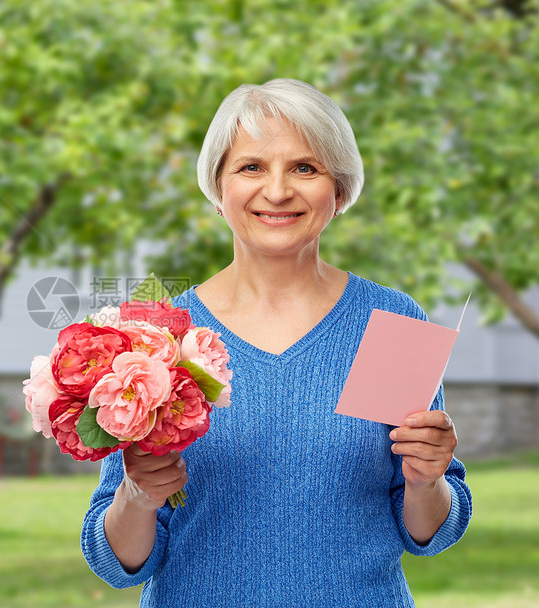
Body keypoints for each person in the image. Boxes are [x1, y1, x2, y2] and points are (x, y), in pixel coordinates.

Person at [80, 78, 472, 607]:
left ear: (340, 191)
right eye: (251, 167)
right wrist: (137, 496)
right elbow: (118, 565)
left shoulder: (392, 320)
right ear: (218, 189)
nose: (278, 190)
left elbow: (429, 534)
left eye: (305, 168)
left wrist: (426, 483)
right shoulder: (157, 334)